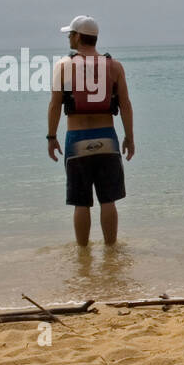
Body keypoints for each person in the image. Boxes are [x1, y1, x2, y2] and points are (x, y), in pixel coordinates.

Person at [46, 15, 134, 245]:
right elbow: (125, 103)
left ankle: (83, 256)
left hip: (77, 139)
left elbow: (55, 104)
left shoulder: (63, 66)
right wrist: (129, 138)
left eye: (69, 34)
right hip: (107, 138)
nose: (68, 38)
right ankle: (111, 252)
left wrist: (51, 137)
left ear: (77, 37)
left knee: (81, 203)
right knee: (108, 200)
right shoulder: (114, 66)